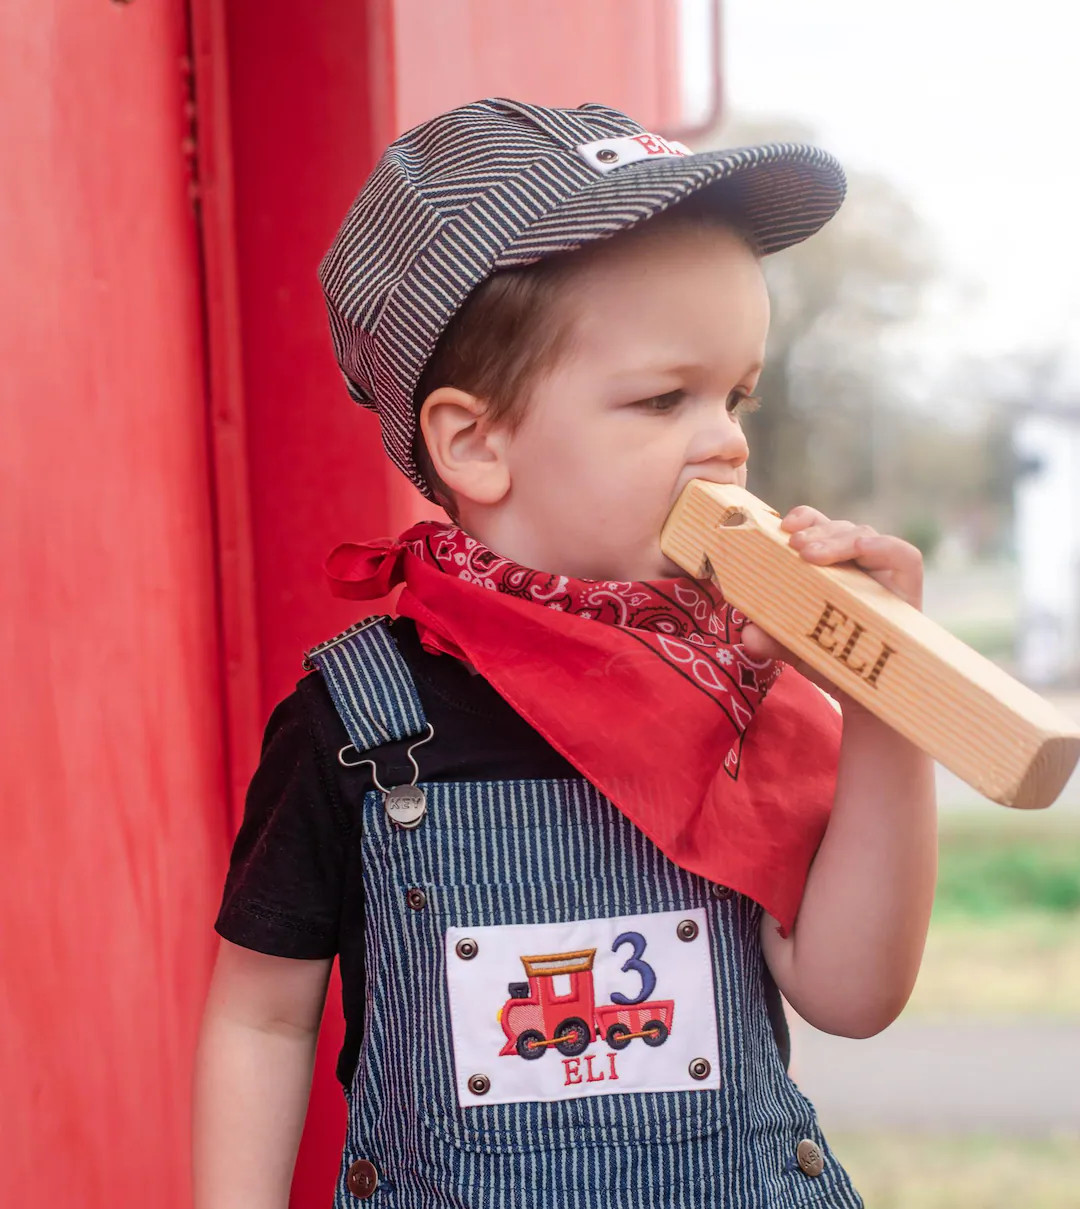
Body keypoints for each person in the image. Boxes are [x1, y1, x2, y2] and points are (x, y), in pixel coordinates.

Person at [192, 98, 936, 1209]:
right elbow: (259, 1015)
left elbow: (853, 993)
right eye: (661, 398)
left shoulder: (733, 680)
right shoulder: (358, 717)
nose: (727, 439)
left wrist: (887, 695)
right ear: (476, 443)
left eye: (735, 395)